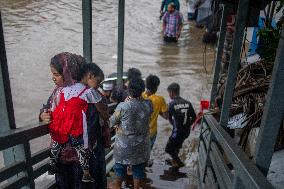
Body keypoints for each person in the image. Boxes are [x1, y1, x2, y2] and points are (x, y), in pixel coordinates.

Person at [39, 53, 107, 188]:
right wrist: (43, 115)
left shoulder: (90, 92)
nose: (53, 78)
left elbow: (102, 115)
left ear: (69, 72)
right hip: (65, 157)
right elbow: (47, 107)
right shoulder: (58, 92)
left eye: (57, 74)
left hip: (86, 155)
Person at [110, 78, 153, 189]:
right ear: (142, 90)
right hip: (141, 147)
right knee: (138, 171)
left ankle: (118, 186)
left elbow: (111, 122)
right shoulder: (149, 104)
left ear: (129, 91)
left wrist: (126, 102)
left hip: (123, 148)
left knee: (119, 169)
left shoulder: (123, 106)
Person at [165, 83, 196, 168]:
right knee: (177, 146)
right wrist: (187, 125)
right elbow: (194, 117)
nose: (169, 95)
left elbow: (169, 118)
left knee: (168, 149)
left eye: (169, 93)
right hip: (186, 131)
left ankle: (179, 164)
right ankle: (174, 161)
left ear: (171, 92)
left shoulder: (171, 104)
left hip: (177, 132)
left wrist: (173, 123)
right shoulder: (188, 103)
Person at [143, 75, 168, 149]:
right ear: (156, 87)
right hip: (151, 132)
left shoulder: (140, 95)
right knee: (147, 152)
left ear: (146, 85)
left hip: (139, 132)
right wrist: (158, 110)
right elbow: (166, 116)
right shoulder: (160, 99)